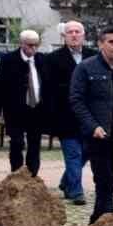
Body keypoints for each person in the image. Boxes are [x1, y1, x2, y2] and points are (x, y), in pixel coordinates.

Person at [70, 25, 113, 224]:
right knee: (103, 181)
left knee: (111, 182)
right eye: (112, 42)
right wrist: (92, 126)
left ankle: (97, 222)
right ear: (100, 44)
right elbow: (77, 101)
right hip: (99, 138)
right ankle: (107, 221)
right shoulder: (86, 68)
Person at [45, 20, 93, 206]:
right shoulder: (53, 59)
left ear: (83, 35)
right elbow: (49, 90)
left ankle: (66, 182)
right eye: (70, 32)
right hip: (65, 116)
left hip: (89, 117)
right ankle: (76, 191)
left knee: (86, 152)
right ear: (63, 36)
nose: (74, 35)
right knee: (73, 154)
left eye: (77, 31)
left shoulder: (94, 56)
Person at [0, 29, 48, 178]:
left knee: (34, 145)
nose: (33, 48)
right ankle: (16, 174)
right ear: (22, 44)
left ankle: (32, 176)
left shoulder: (42, 59)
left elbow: (48, 84)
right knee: (17, 143)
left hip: (37, 110)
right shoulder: (8, 60)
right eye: (30, 45)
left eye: (36, 45)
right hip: (15, 110)